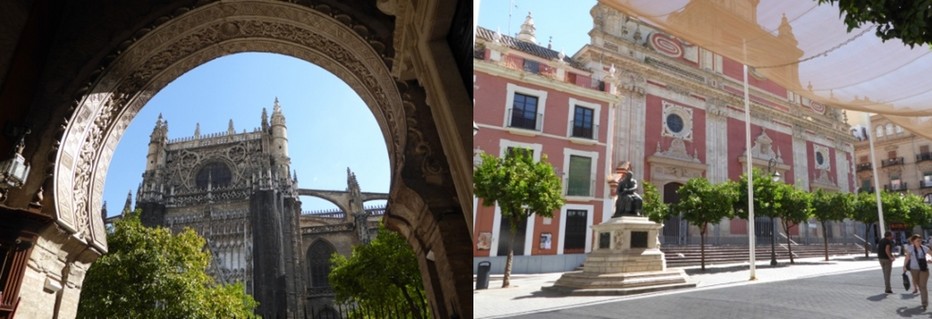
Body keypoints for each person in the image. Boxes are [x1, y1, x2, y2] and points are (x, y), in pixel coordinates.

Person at [904, 234, 932, 310]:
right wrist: (904, 266)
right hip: (914, 269)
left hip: (923, 270)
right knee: (919, 286)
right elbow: (907, 258)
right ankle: (923, 300)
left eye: (920, 241)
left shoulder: (924, 248)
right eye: (917, 241)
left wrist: (931, 261)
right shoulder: (910, 248)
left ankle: (924, 303)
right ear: (913, 241)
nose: (919, 242)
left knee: (923, 286)